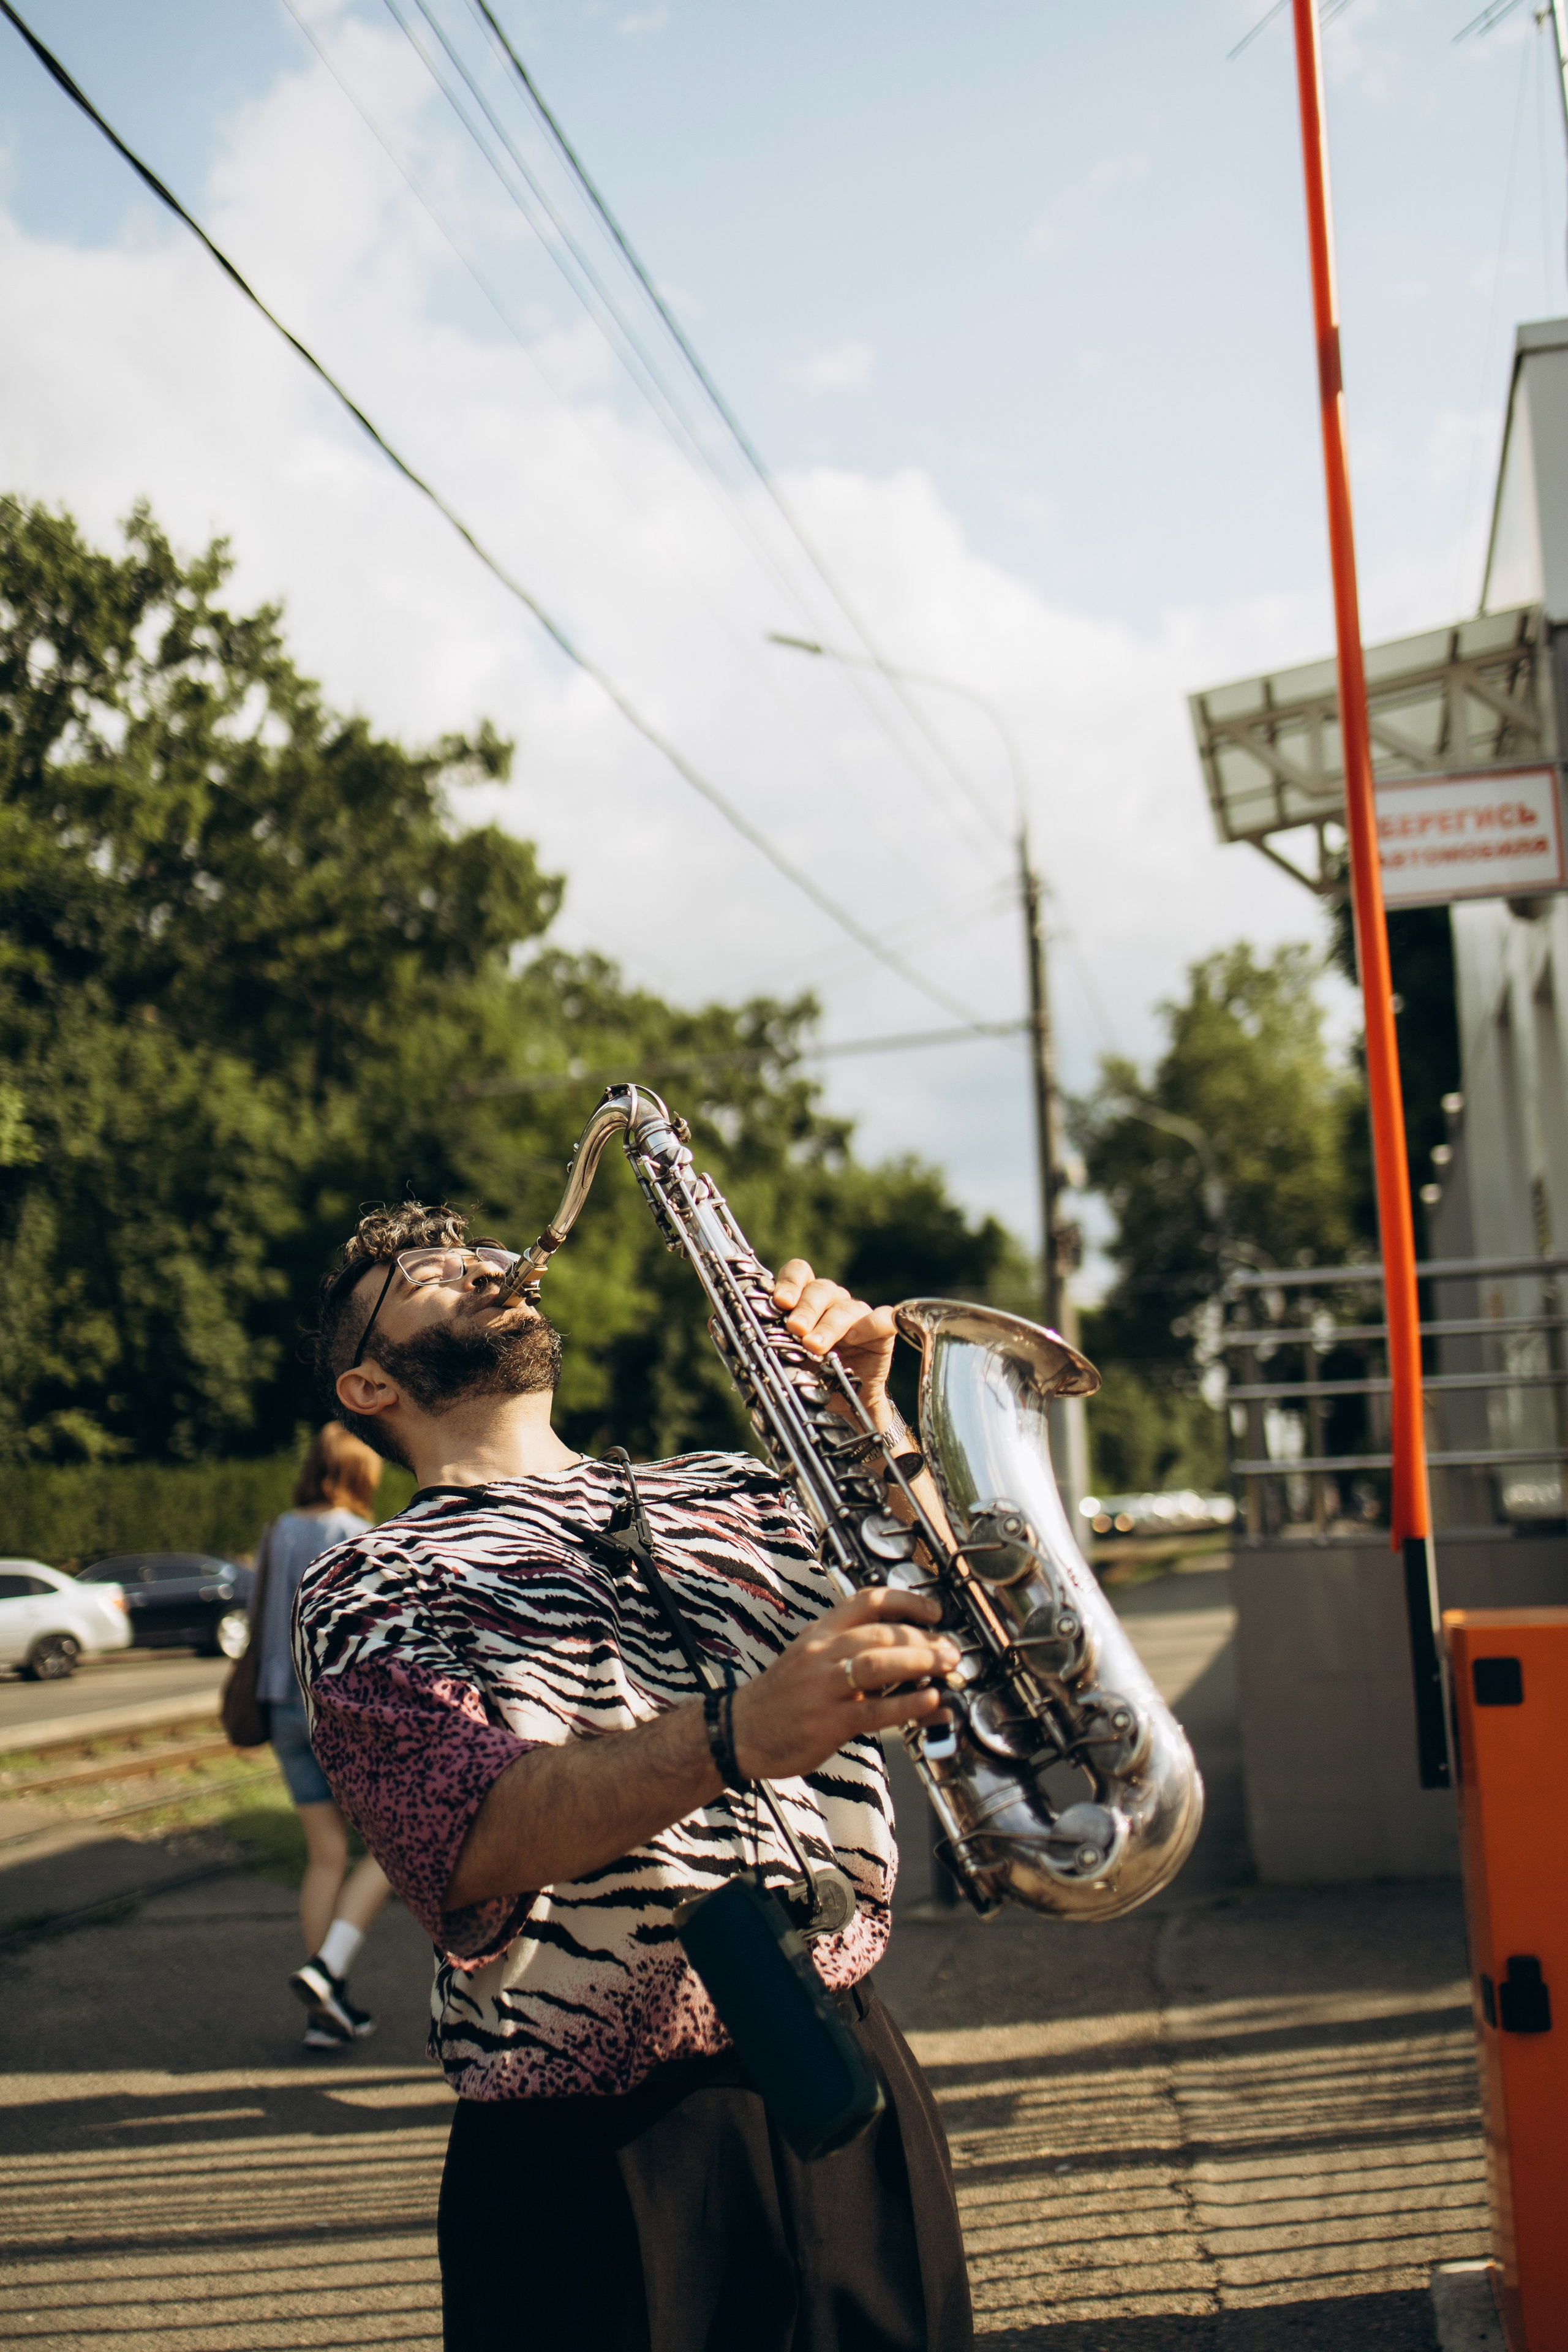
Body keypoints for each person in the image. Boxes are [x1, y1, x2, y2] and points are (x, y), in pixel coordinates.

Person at [293, 1204, 973, 2352]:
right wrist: (733, 1733)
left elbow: (954, 1617)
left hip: (845, 2069)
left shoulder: (739, 1490)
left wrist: (867, 1414)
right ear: (368, 1387)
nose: (481, 1266)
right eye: (422, 1272)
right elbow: (464, 1837)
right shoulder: (366, 1586)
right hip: (592, 2160)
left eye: (479, 1250)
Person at [254, 1421, 393, 2048]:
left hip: (281, 1705)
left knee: (325, 1857)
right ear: (361, 1473)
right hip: (338, 1710)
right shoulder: (356, 1536)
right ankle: (327, 1967)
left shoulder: (279, 1530)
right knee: (393, 1842)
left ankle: (325, 2010)